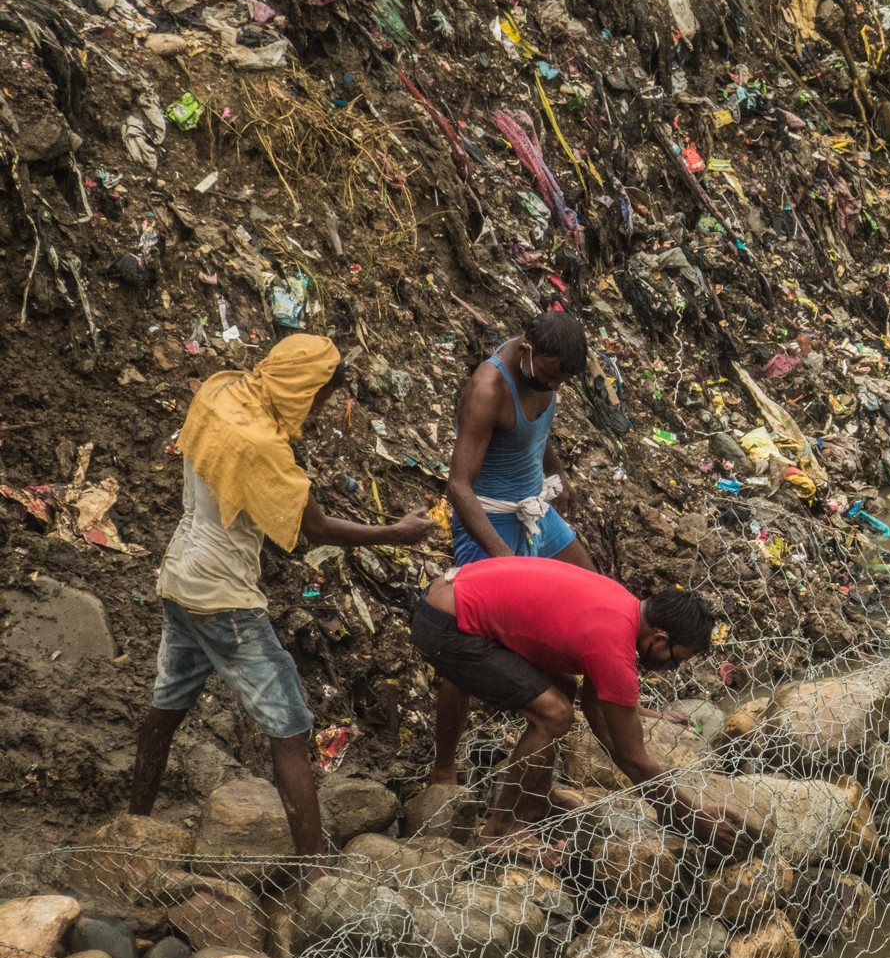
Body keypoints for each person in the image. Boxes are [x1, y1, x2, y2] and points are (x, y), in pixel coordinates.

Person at [128, 335, 436, 862]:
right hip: (223, 593)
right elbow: (313, 528)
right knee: (290, 724)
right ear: (300, 389)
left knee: (167, 705)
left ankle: (134, 822)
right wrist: (394, 532)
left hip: (180, 574)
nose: (316, 412)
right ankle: (313, 872)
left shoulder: (220, 392)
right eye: (318, 399)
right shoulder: (264, 447)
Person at [409, 557, 745, 855]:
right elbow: (632, 756)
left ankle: (534, 798)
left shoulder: (623, 609)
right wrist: (689, 815)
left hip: (452, 594)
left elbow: (600, 717)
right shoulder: (613, 647)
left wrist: (670, 804)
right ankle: (501, 829)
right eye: (674, 659)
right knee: (554, 714)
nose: (671, 667)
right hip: (446, 625)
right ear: (659, 638)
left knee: (562, 687)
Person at [446, 312, 592, 569]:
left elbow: (531, 434)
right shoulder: (488, 392)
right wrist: (504, 559)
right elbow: (458, 487)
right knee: (507, 607)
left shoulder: (539, 376)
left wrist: (556, 472)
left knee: (595, 591)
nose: (554, 386)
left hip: (535, 513)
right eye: (550, 376)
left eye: (562, 380)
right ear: (526, 350)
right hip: (490, 522)